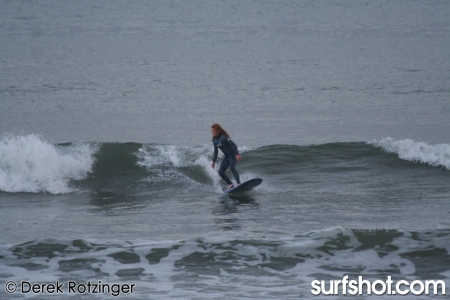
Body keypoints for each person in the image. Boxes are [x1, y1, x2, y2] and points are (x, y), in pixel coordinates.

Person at [211, 123, 242, 189]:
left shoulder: (224, 137)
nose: (212, 132)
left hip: (232, 155)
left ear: (217, 130)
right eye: (212, 131)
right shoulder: (215, 140)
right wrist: (213, 162)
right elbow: (216, 152)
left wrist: (237, 154)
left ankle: (239, 183)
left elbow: (234, 145)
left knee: (232, 167)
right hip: (227, 157)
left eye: (213, 131)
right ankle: (230, 184)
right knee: (220, 172)